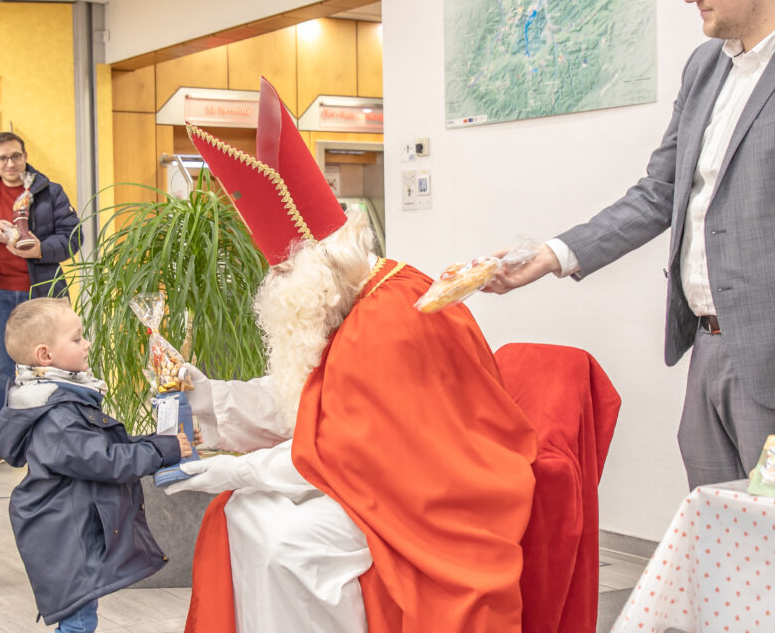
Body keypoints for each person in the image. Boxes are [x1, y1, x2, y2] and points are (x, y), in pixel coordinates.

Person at [485, 0, 775, 489]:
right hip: (709, 348)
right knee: (721, 543)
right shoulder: (706, 66)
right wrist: (548, 256)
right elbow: (659, 192)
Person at [164, 79, 538, 632]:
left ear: (315, 272)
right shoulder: (353, 298)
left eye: (282, 272)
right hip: (393, 475)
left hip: (441, 493)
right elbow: (315, 400)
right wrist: (208, 397)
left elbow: (347, 452)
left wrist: (236, 468)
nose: (275, 287)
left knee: (290, 545)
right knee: (245, 517)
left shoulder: (386, 319)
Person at [0, 297, 190, 631]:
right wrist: (162, 450)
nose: (87, 344)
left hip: (69, 533)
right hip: (64, 539)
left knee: (80, 618)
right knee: (79, 623)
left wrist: (159, 442)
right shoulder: (57, 418)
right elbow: (108, 462)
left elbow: (105, 448)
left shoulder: (61, 400)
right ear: (45, 355)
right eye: (76, 338)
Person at [0, 132, 81, 467]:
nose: (10, 164)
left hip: (43, 294)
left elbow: (73, 236)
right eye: (2, 158)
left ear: (25, 156)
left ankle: (50, 440)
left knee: (50, 366)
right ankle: (5, 444)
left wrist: (41, 249)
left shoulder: (49, 192)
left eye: (16, 156)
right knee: (3, 373)